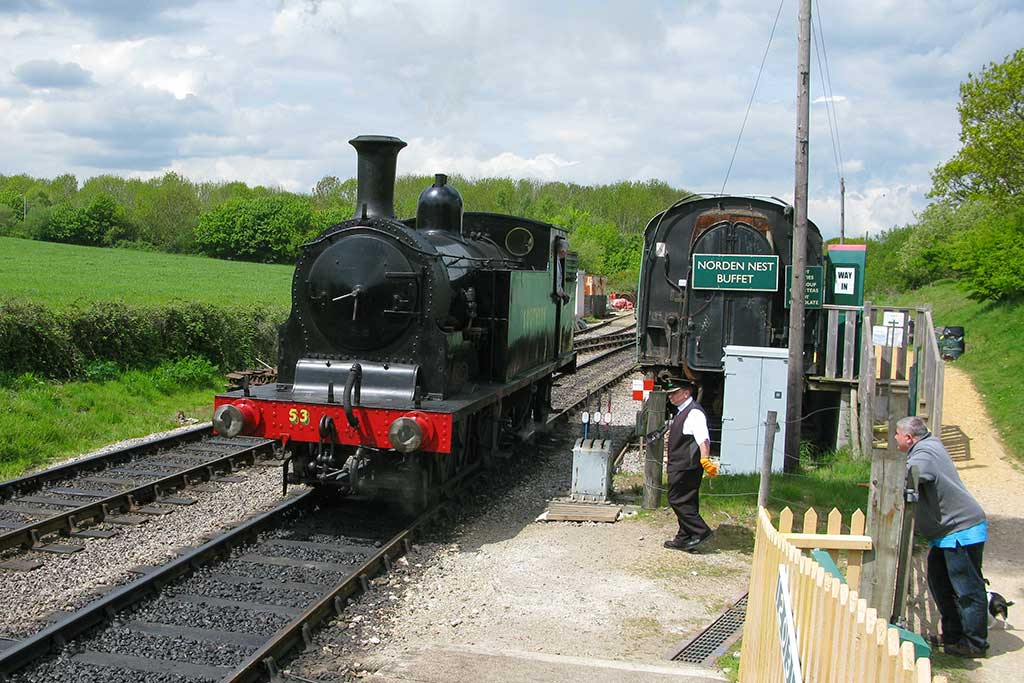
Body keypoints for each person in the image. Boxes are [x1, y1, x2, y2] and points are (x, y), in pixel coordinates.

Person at [896, 415, 988, 657]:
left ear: (908, 437)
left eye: (896, 434)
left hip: (961, 531)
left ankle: (975, 644)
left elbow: (912, 475)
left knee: (967, 589)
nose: (894, 439)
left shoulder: (924, 453)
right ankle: (953, 636)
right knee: (941, 584)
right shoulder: (930, 444)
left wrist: (891, 478)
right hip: (948, 533)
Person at [662, 377, 715, 552]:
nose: (671, 397)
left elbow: (703, 439)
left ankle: (700, 531)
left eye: (674, 393)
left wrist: (705, 459)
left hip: (686, 466)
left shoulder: (694, 413)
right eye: (670, 394)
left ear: (686, 393)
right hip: (683, 465)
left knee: (676, 499)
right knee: (688, 501)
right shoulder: (683, 410)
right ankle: (684, 536)